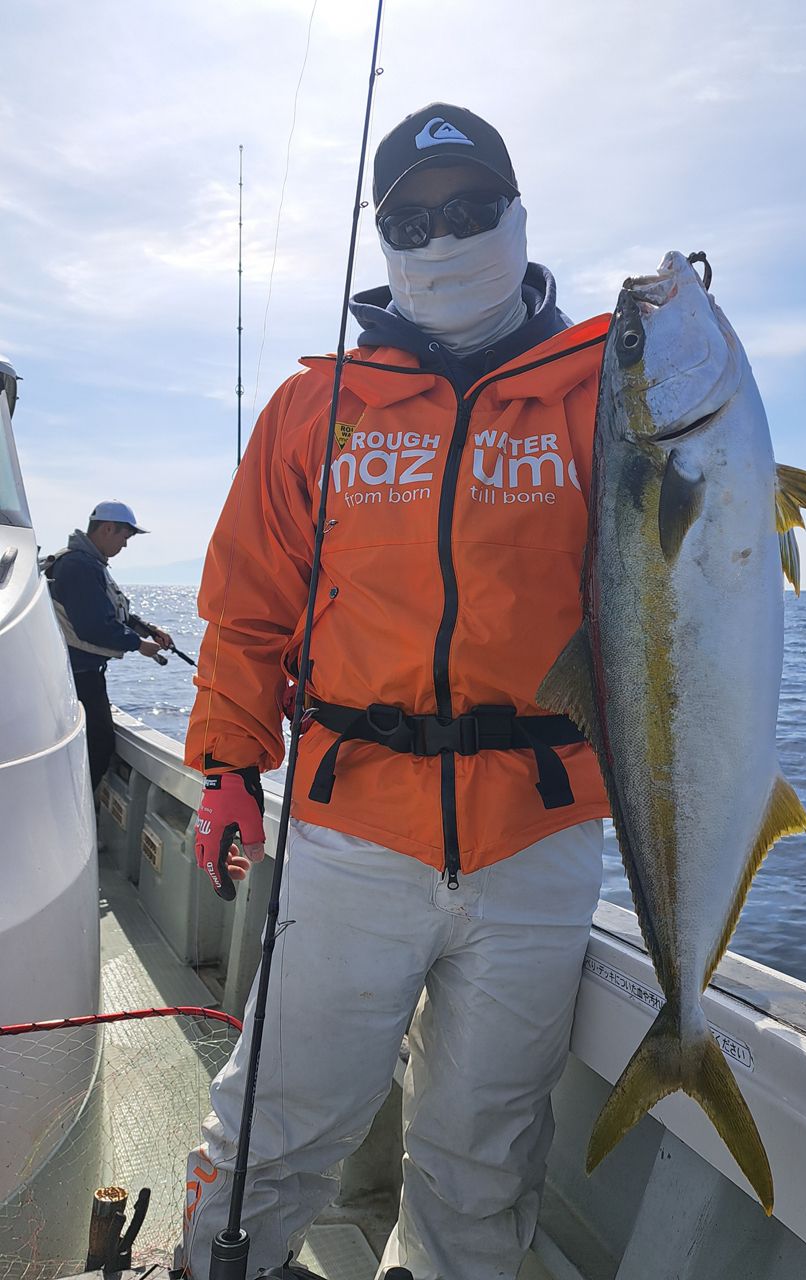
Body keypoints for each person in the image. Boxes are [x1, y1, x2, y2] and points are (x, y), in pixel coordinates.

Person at [180, 103, 613, 1280]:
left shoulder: (604, 398)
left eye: (470, 208)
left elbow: (677, 593)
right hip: (351, 827)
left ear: (518, 216)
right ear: (383, 240)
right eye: (414, 221)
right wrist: (228, 767)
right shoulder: (312, 409)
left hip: (540, 836)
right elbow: (248, 606)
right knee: (275, 1118)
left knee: (486, 1156)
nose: (445, 235)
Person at [45, 500, 172, 791]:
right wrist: (138, 645)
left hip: (74, 677)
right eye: (124, 537)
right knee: (99, 745)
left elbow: (110, 612)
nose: (124, 545)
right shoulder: (80, 566)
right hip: (77, 679)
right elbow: (94, 626)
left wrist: (148, 630)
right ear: (107, 529)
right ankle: (78, 807)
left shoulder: (87, 563)